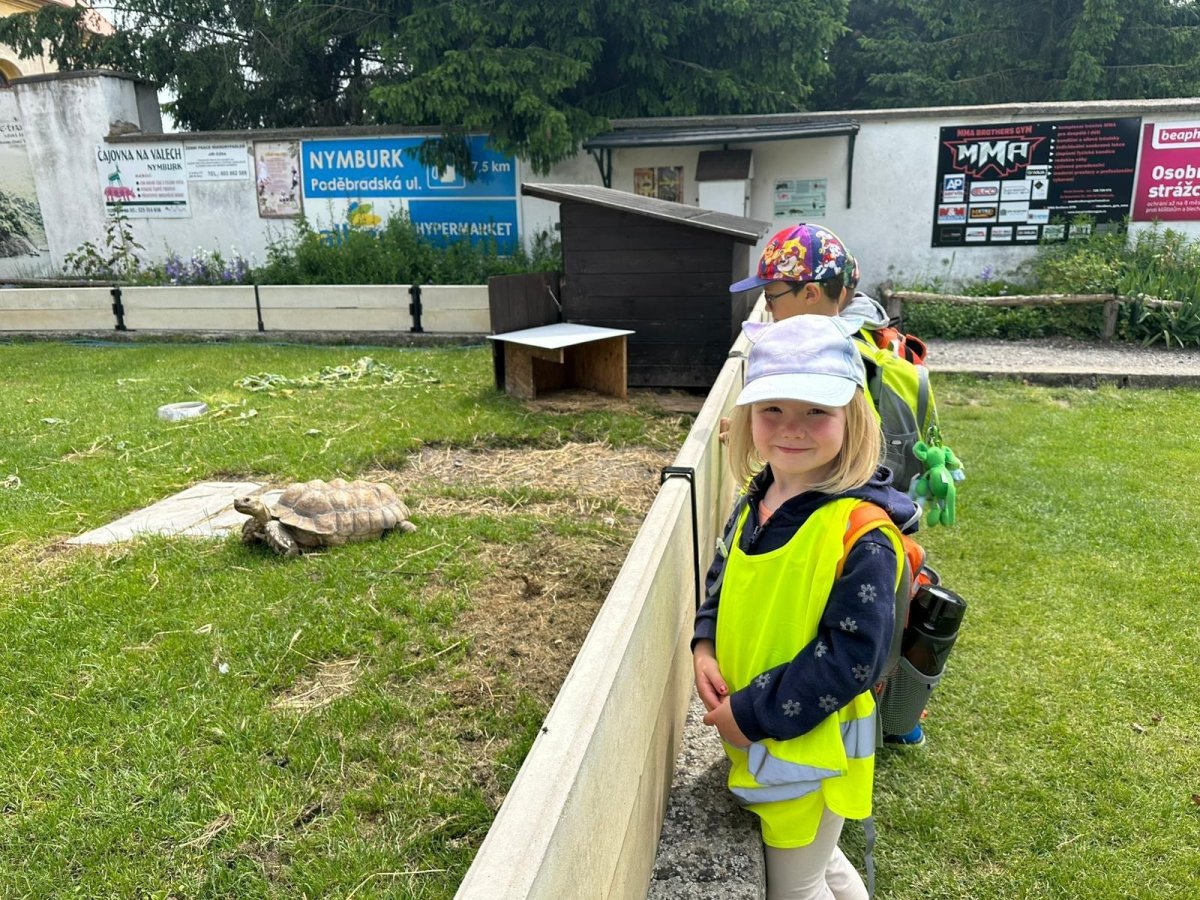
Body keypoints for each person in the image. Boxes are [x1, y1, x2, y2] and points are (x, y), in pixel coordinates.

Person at [694, 315, 919, 899]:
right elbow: (724, 573)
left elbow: (851, 658)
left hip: (808, 749)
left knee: (796, 888)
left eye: (816, 410)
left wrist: (752, 714)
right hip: (768, 739)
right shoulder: (761, 496)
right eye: (772, 408)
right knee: (820, 866)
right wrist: (705, 644)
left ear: (853, 418)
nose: (791, 428)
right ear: (749, 415)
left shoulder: (862, 536)